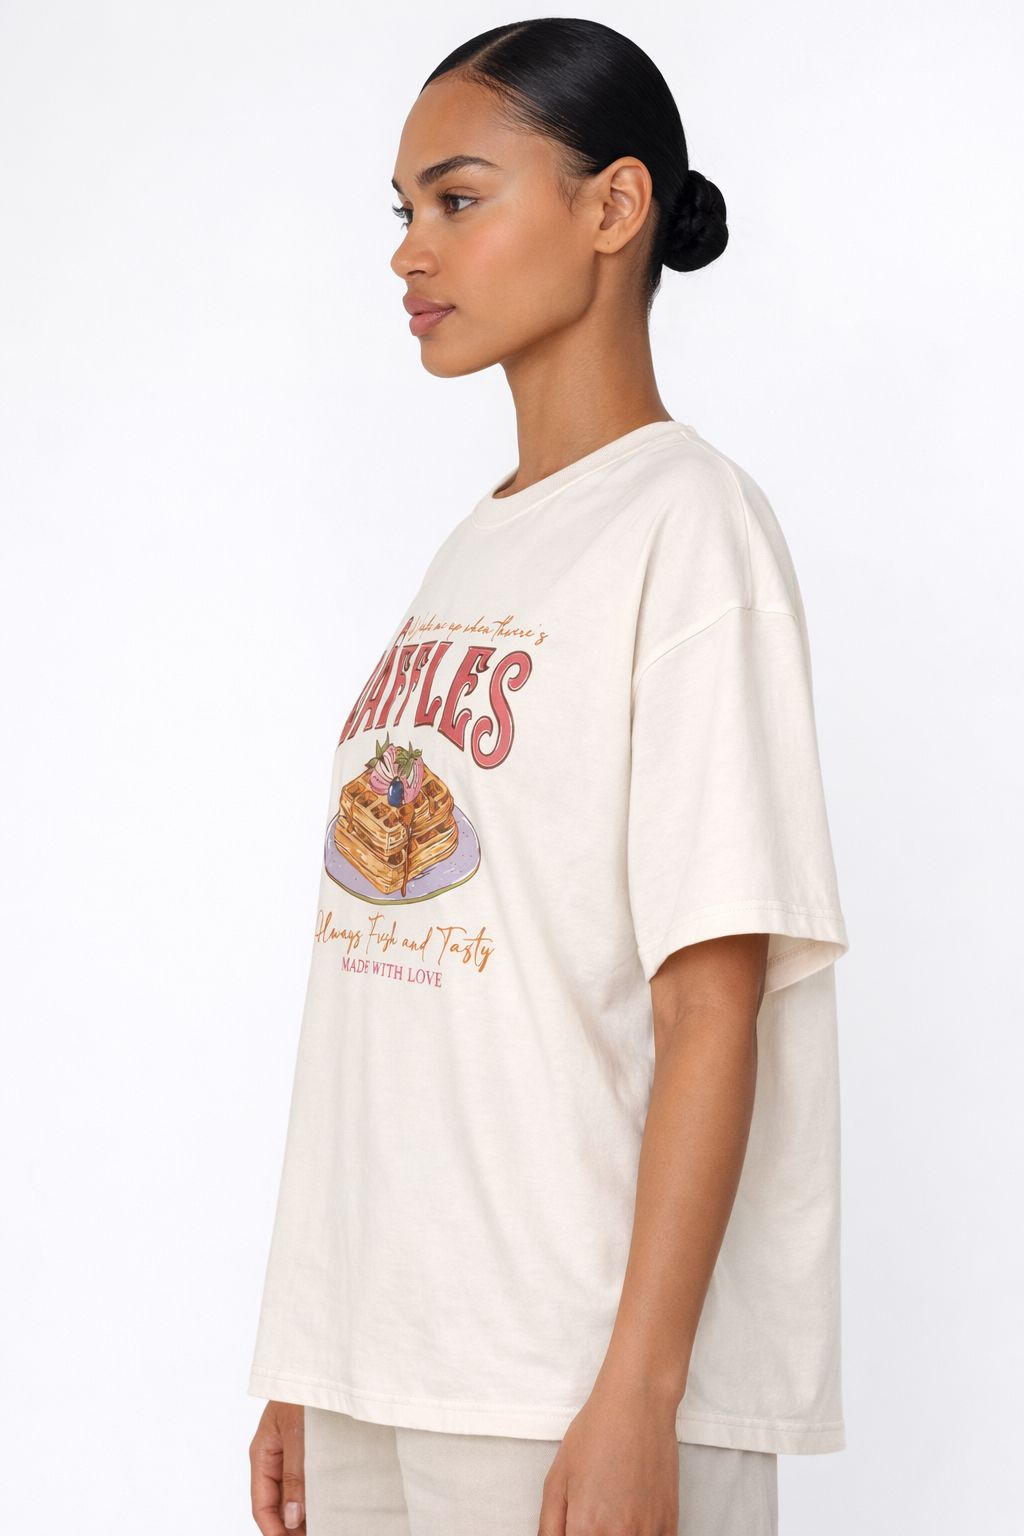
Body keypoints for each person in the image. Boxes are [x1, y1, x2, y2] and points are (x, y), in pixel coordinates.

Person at [247, 18, 850, 1536]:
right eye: (404, 210)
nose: (410, 251)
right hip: (392, 1362)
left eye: (458, 199)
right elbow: (389, 989)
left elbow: (710, 999)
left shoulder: (689, 528)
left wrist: (640, 1390)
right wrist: (311, 1357)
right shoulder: (482, 542)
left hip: (563, 1377)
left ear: (612, 206)